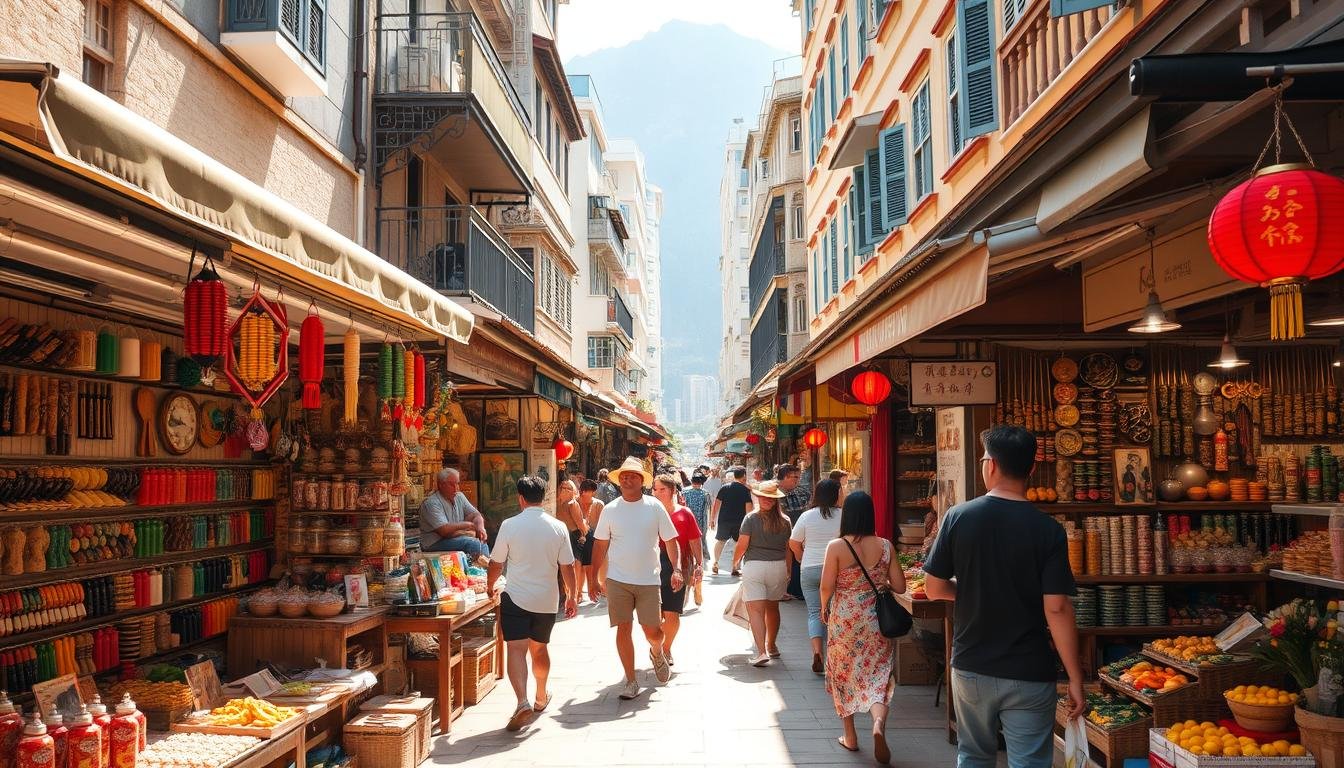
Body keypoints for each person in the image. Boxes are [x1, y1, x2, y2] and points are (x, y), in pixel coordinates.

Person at [924, 425, 1085, 768]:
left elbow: (934, 588)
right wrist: (1075, 676)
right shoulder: (1048, 530)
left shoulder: (958, 517)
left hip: (971, 664)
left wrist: (969, 593)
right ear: (1030, 470)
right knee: (1028, 762)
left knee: (973, 755)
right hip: (1029, 668)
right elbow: (1056, 608)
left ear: (991, 465)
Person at [486, 476, 578, 732]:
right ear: (544, 497)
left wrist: (489, 584)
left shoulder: (509, 525)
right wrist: (571, 595)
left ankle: (522, 701)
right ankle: (540, 696)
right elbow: (567, 566)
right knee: (540, 649)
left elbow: (496, 563)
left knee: (516, 649)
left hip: (515, 596)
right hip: (546, 600)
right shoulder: (558, 526)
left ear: (520, 498)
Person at [819, 492, 907, 762]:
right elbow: (901, 586)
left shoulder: (836, 546)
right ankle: (878, 723)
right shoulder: (886, 546)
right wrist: (884, 585)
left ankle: (850, 736)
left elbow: (826, 586)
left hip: (845, 621)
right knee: (878, 677)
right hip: (875, 622)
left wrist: (825, 607)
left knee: (844, 674)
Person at [590, 457, 682, 700]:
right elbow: (599, 546)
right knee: (623, 628)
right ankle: (631, 680)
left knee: (653, 632)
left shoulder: (654, 507)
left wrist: (677, 568)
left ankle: (656, 650)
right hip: (617, 579)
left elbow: (670, 540)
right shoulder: (610, 510)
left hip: (649, 580)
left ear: (642, 481)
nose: (626, 479)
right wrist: (592, 579)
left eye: (632, 475)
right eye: (623, 475)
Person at [732, 480, 792, 667]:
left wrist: (735, 562)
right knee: (773, 608)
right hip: (779, 567)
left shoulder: (751, 518)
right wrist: (788, 570)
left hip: (755, 567)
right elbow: (788, 548)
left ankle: (761, 652)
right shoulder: (785, 520)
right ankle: (772, 645)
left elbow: (742, 544)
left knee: (757, 611)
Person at [788, 478, 843, 675]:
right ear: (836, 495)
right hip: (837, 570)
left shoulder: (807, 516)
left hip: (810, 568)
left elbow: (794, 542)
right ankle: (836, 657)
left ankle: (818, 652)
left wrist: (802, 558)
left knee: (814, 612)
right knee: (837, 612)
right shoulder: (844, 516)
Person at [651, 474, 702, 665]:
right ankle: (657, 645)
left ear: (672, 491)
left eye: (662, 489)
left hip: (677, 567)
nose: (657, 493)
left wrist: (699, 564)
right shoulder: (649, 512)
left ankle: (665, 649)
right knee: (655, 614)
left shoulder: (684, 513)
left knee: (672, 612)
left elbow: (694, 539)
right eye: (654, 489)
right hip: (651, 566)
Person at [419, 468, 489, 563]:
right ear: (441, 485)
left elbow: (476, 514)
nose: (456, 488)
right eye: (452, 484)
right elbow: (444, 531)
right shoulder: (432, 503)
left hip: (453, 538)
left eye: (457, 483)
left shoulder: (459, 496)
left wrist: (481, 528)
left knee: (481, 541)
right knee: (473, 543)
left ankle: (485, 569)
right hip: (434, 543)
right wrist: (468, 525)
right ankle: (480, 571)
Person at [710, 467, 752, 576]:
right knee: (738, 543)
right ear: (743, 476)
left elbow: (716, 504)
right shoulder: (745, 490)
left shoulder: (725, 488)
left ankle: (716, 563)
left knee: (721, 541)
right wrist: (750, 522)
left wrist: (712, 518)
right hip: (740, 521)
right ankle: (734, 567)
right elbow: (749, 507)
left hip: (724, 520)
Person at [777, 464, 810, 600]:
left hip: (799, 533)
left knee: (798, 561)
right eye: (794, 477)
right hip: (781, 533)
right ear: (784, 477)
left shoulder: (802, 492)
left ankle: (796, 589)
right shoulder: (774, 493)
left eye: (798, 477)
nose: (797, 480)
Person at [556, 480, 589, 603]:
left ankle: (576, 593)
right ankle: (570, 593)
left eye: (568, 488)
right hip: (566, 535)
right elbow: (581, 523)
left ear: (573, 491)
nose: (564, 490)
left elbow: (580, 524)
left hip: (573, 535)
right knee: (570, 565)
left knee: (576, 565)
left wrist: (584, 533)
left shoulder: (571, 503)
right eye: (562, 487)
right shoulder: (560, 502)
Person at [681, 474, 712, 605]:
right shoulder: (705, 494)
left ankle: (688, 591)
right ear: (702, 482)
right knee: (698, 561)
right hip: (699, 528)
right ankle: (697, 590)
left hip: (684, 526)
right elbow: (708, 510)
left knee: (686, 557)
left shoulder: (684, 492)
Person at [576, 479, 603, 601]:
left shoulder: (598, 504)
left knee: (590, 566)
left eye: (590, 491)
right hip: (577, 537)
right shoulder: (575, 502)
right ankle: (579, 593)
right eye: (585, 491)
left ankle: (592, 591)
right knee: (579, 566)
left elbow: (601, 525)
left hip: (593, 538)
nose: (587, 494)